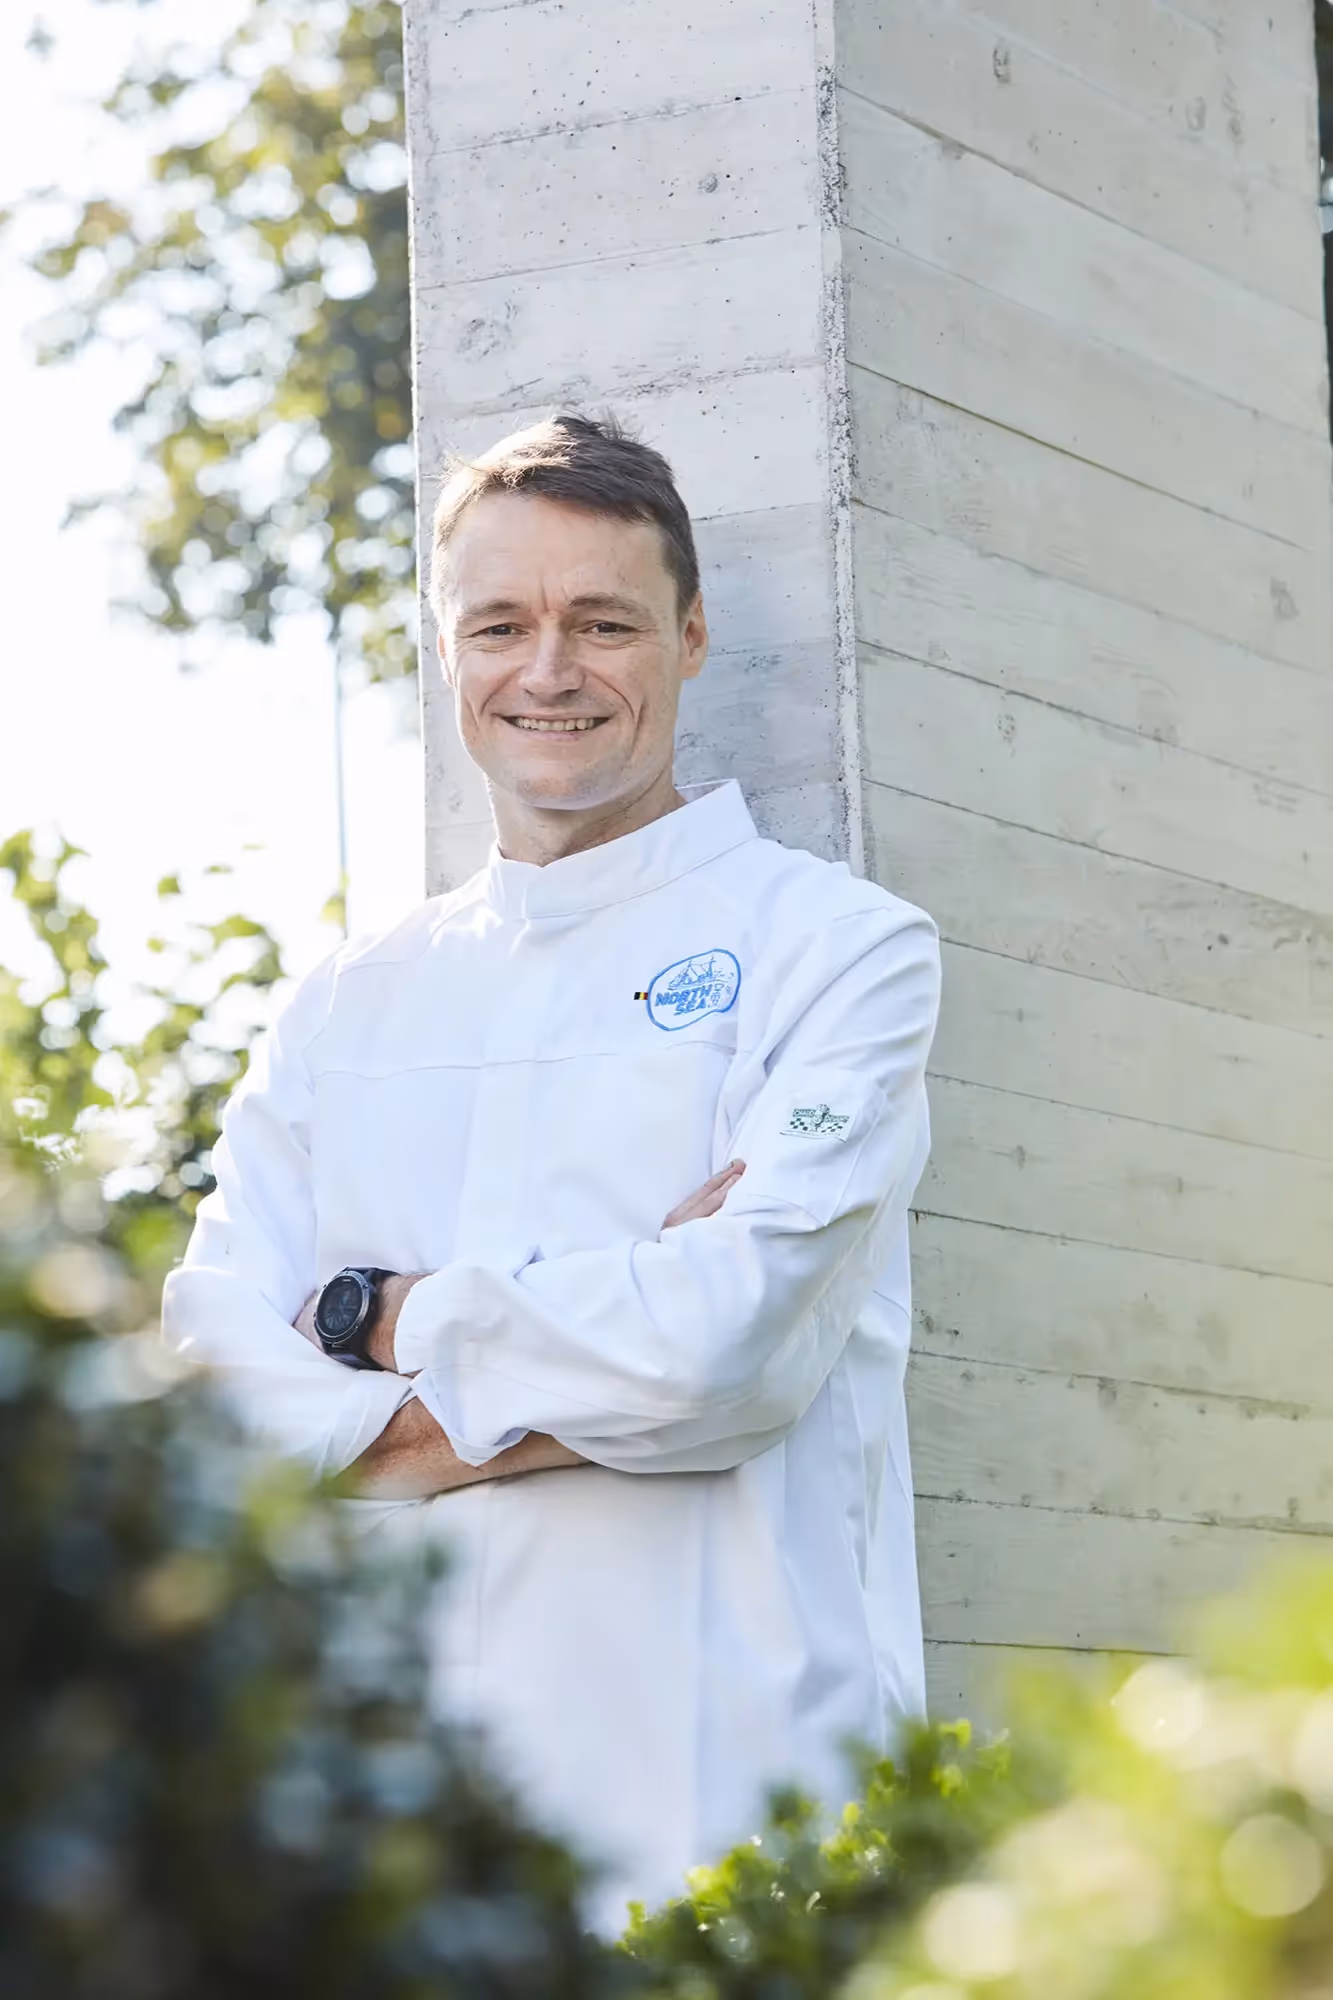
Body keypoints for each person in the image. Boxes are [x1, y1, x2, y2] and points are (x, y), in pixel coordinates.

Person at [160, 412, 942, 1935]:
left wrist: (379, 1324)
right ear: (447, 650)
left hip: (739, 1815)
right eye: (501, 625)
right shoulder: (345, 1004)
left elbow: (723, 1343)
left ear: (691, 637)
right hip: (404, 1851)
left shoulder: (840, 950)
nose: (550, 670)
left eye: (604, 622)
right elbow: (210, 1392)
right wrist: (613, 1350)